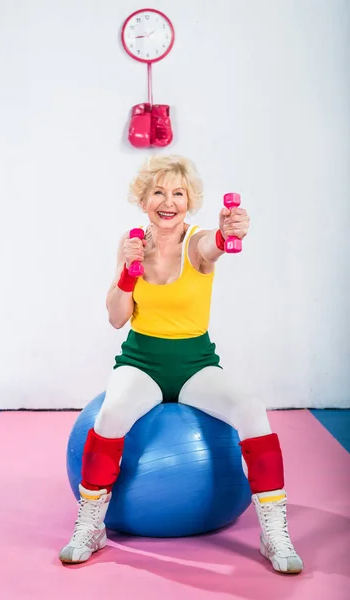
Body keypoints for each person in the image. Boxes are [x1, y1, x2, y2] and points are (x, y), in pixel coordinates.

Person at [59, 155, 303, 574]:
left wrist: (228, 233)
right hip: (141, 360)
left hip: (194, 364)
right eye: (158, 192)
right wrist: (126, 275)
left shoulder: (197, 241)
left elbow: (216, 245)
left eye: (178, 193)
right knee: (112, 412)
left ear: (190, 202)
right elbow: (117, 317)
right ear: (144, 200)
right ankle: (91, 526)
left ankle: (274, 533)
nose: (168, 201)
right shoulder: (132, 241)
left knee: (251, 409)